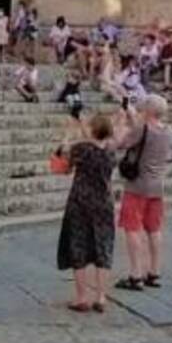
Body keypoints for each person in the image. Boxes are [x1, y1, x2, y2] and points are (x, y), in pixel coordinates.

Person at [57, 111, 118, 313]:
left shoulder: (80, 149)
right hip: (103, 203)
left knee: (78, 246)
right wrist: (85, 127)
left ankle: (81, 297)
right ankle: (101, 296)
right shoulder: (110, 151)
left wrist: (67, 137)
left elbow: (63, 167)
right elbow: (98, 142)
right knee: (103, 247)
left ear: (92, 130)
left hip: (80, 202)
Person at [113, 95, 172, 292]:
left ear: (148, 110)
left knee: (132, 229)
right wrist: (133, 116)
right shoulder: (167, 131)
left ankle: (135, 274)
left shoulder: (142, 129)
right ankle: (154, 272)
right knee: (154, 230)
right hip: (157, 186)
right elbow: (143, 132)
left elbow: (122, 143)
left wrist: (122, 121)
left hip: (138, 185)